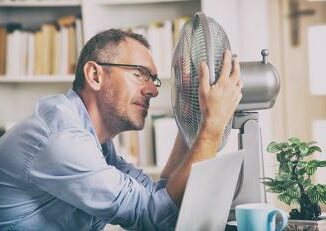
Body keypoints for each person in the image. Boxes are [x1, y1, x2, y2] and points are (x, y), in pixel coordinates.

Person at [0, 29, 242, 230]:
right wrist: (211, 126)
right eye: (140, 74)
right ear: (95, 75)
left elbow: (158, 195)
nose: (153, 90)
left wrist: (193, 119)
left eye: (153, 79)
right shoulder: (62, 139)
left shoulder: (97, 142)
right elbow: (153, 217)